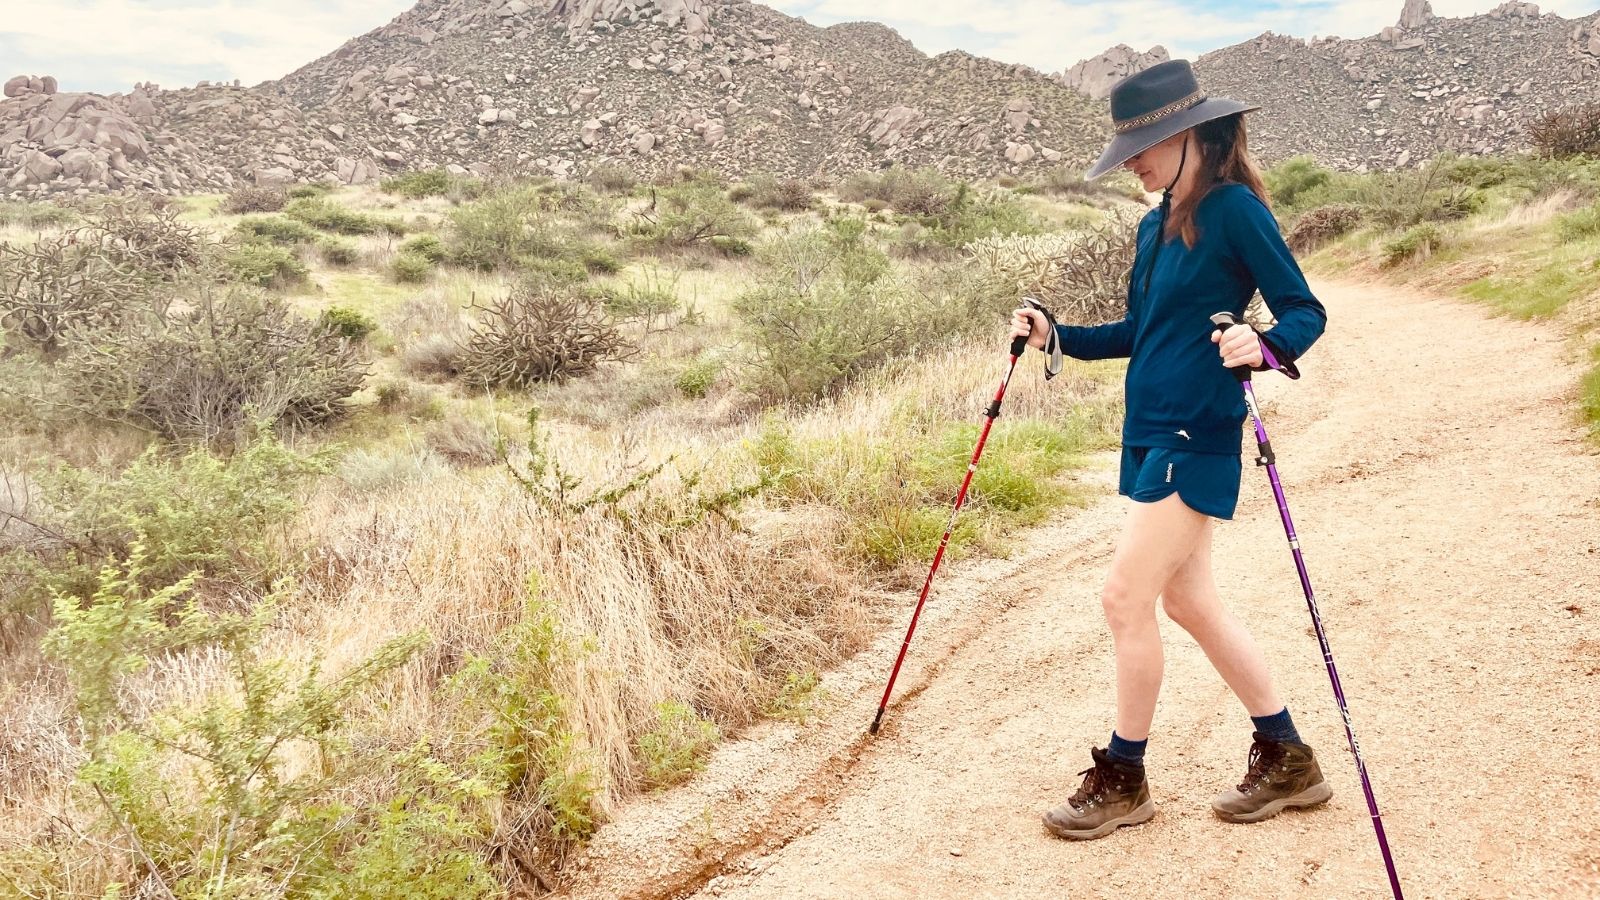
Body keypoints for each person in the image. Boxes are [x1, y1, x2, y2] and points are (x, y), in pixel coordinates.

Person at [1009, 59, 1330, 841]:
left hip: (1198, 431)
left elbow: (1303, 311)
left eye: (1146, 146)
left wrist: (1264, 346)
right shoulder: (1156, 223)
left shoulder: (1233, 211)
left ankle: (1124, 776)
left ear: (1190, 135)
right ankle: (1288, 756)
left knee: (1124, 597)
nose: (1136, 164)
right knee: (1187, 599)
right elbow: (1139, 332)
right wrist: (1059, 336)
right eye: (1129, 150)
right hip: (1149, 430)